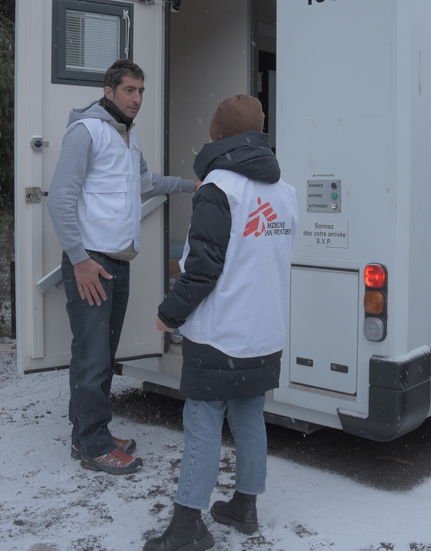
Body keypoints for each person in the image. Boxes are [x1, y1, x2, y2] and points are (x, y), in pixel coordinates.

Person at [146, 95, 298, 551]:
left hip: (221, 332)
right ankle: (245, 506)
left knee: (203, 421)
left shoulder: (219, 187)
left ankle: (188, 526)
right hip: (264, 329)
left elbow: (205, 268)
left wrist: (169, 312)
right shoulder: (284, 191)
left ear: (218, 135)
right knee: (250, 415)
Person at [47, 59, 199, 475]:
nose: (137, 99)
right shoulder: (87, 132)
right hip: (91, 262)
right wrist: (79, 260)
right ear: (109, 90)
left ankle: (88, 434)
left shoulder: (127, 138)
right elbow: (59, 199)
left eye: (141, 91)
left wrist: (191, 185)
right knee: (92, 356)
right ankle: (95, 446)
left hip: (116, 262)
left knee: (101, 355)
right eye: (130, 90)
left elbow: (147, 184)